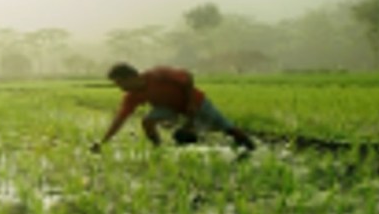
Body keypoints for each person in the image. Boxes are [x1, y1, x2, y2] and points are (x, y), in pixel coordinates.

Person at [90, 62, 256, 153]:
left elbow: (187, 77)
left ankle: (250, 146)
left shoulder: (158, 74)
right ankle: (158, 148)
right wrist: (103, 142)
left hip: (194, 100)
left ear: (132, 77)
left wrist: (190, 103)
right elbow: (120, 119)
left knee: (227, 128)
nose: (120, 87)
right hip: (168, 108)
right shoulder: (132, 96)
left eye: (120, 82)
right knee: (147, 121)